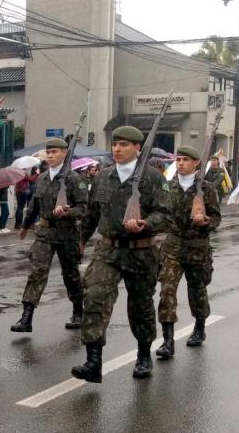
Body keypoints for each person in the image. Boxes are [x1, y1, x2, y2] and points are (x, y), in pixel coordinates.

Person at [71, 126, 171, 383]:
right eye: (115, 144)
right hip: (108, 250)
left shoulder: (153, 178)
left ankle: (143, 355)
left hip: (141, 252)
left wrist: (146, 224)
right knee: (94, 297)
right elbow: (93, 213)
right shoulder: (103, 177)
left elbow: (165, 215)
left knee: (140, 306)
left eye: (124, 144)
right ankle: (93, 361)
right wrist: (81, 239)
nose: (117, 149)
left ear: (138, 148)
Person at [14, 138, 88, 333]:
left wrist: (68, 212)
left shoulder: (75, 179)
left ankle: (78, 311)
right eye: (48, 152)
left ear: (65, 153)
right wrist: (25, 225)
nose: (50, 155)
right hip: (45, 232)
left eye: (54, 151)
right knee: (37, 272)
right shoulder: (42, 178)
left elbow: (83, 208)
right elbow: (34, 205)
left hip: (67, 232)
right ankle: (26, 317)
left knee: (71, 274)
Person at [155, 146, 219, 360]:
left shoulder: (206, 189)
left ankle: (199, 327)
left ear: (196, 163)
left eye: (185, 160)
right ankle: (168, 340)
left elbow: (216, 217)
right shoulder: (168, 186)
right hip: (173, 247)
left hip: (197, 247)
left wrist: (206, 221)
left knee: (197, 290)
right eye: (178, 159)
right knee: (167, 291)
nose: (180, 163)